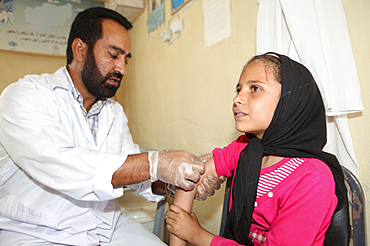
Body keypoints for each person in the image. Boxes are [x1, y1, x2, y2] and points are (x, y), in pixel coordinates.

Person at [0, 7, 206, 246]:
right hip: (37, 232)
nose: (122, 69)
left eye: (126, 59)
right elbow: (63, 166)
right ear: (80, 49)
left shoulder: (113, 111)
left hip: (106, 225)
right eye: (113, 55)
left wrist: (175, 181)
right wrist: (157, 162)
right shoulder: (25, 96)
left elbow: (133, 175)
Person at [166, 53, 347, 245]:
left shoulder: (312, 179)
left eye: (254, 88)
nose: (237, 99)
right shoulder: (244, 148)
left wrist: (197, 235)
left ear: (290, 100)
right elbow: (189, 178)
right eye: (238, 90)